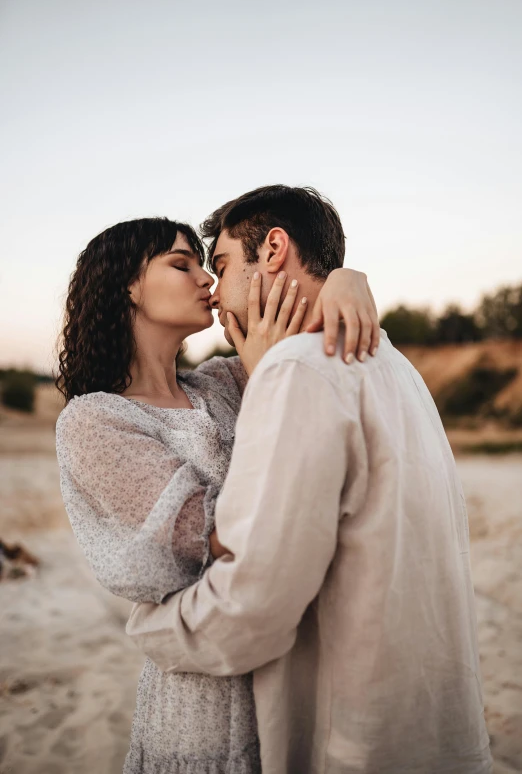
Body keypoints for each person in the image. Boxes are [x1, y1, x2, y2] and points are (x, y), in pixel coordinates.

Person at [126, 186, 493, 774]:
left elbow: (254, 604)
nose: (215, 291)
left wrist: (156, 627)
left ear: (273, 249)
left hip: (353, 743)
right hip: (439, 734)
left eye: (219, 264)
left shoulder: (298, 372)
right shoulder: (397, 367)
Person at [55, 212, 379, 774]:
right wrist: (265, 378)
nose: (207, 280)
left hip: (295, 661)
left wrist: (347, 279)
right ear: (127, 286)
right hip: (203, 686)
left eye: (207, 266)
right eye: (182, 265)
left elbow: (317, 321)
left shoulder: (226, 380)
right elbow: (221, 537)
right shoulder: (96, 421)